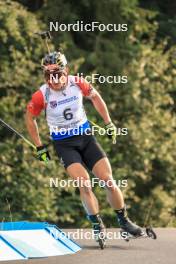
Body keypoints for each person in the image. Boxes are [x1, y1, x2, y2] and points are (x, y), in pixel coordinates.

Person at [25, 51, 143, 241]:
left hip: (86, 139)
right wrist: (39, 147)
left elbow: (95, 98)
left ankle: (124, 221)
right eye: (48, 75)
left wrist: (109, 123)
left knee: (109, 180)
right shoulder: (42, 94)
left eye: (57, 74)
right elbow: (30, 118)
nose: (53, 80)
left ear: (66, 71)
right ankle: (97, 224)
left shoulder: (77, 82)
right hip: (65, 145)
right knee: (84, 184)